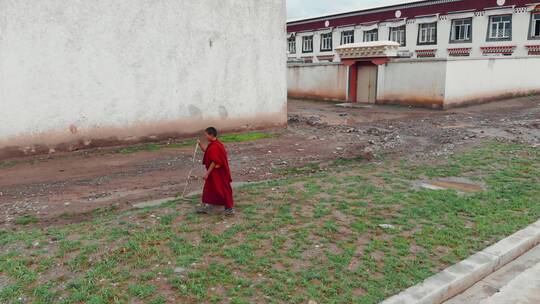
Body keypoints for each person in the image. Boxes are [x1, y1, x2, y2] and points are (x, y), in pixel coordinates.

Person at [196, 127, 235, 216]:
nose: (205, 137)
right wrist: (200, 145)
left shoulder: (216, 146)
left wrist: (207, 173)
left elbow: (215, 161)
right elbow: (207, 152)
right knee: (211, 188)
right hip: (214, 172)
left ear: (211, 135)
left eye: (206, 135)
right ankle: (211, 205)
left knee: (222, 189)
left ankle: (229, 209)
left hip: (218, 172)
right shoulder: (213, 144)